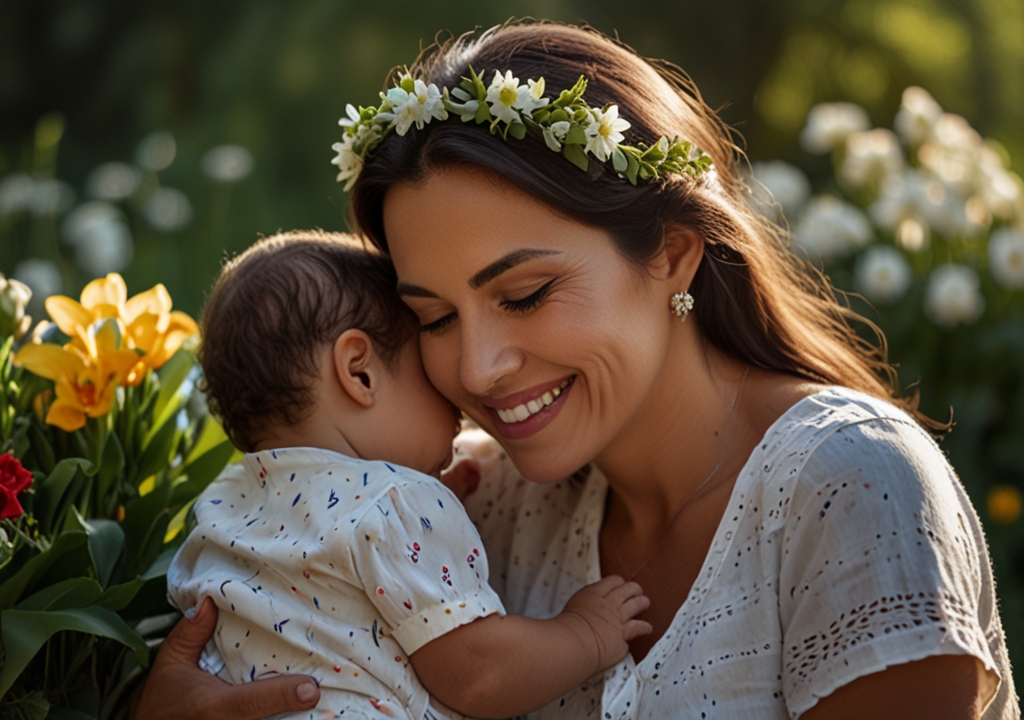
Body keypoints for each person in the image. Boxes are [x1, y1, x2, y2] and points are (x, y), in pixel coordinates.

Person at [133, 22, 1018, 720]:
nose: (477, 367)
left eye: (524, 294)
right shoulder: (473, 500)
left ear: (671, 255)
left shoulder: (848, 486)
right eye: (433, 317)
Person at [165, 230, 652, 720]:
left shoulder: (221, 509)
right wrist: (586, 633)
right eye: (429, 371)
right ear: (359, 373)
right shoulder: (398, 504)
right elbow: (480, 676)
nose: (458, 396)